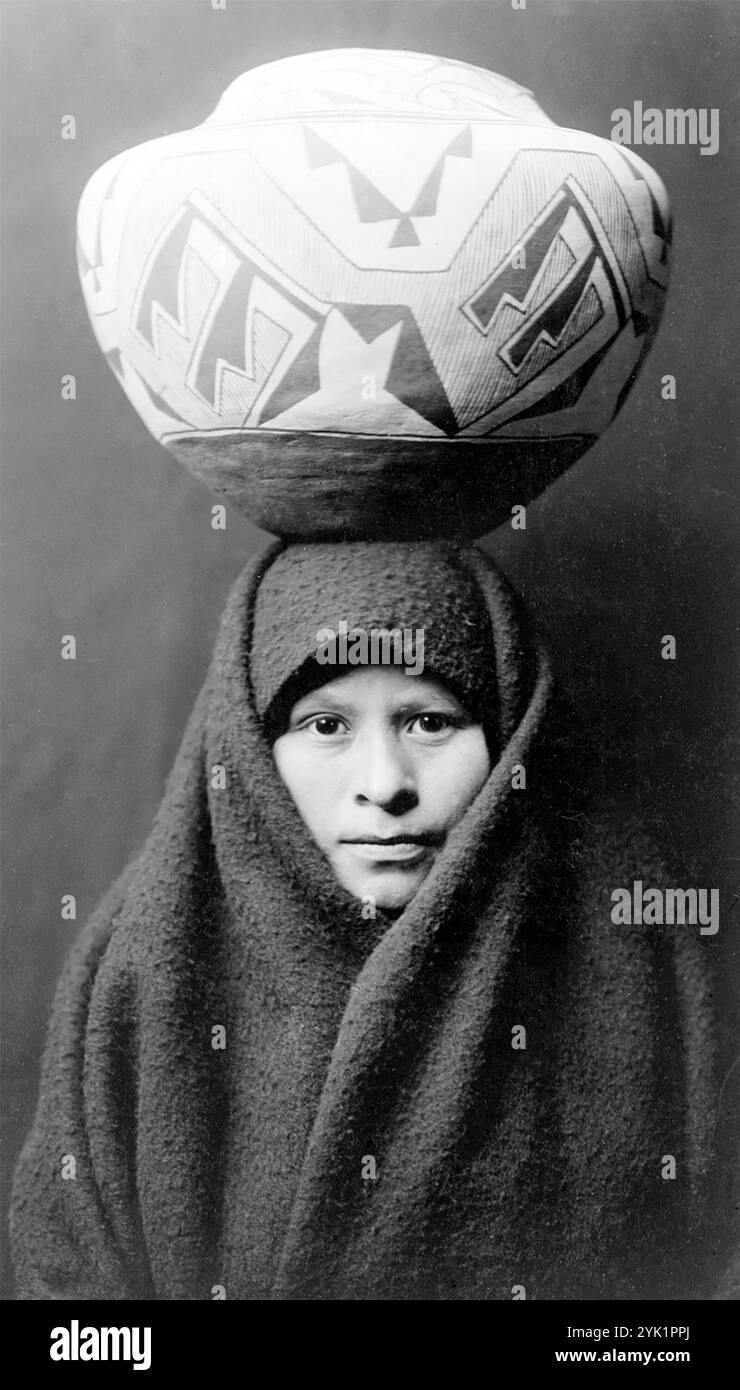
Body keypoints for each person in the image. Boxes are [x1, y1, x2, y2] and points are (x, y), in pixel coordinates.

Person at [10, 540, 730, 1300]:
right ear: (251, 748)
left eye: (429, 721)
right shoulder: (140, 968)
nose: (385, 784)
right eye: (326, 727)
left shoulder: (646, 956)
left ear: (515, 729)